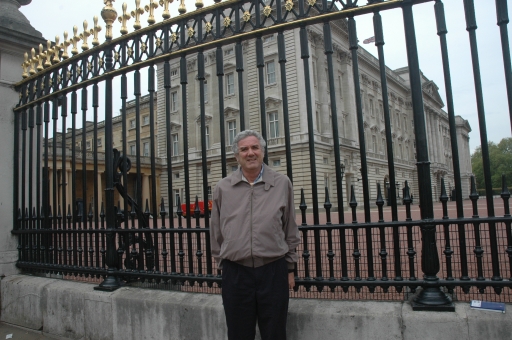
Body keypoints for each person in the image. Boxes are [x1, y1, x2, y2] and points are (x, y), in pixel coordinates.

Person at [210, 129, 300, 340]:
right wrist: (223, 263)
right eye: (244, 149)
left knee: (275, 333)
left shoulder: (282, 183)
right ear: (237, 156)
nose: (250, 153)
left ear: (262, 152)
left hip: (273, 270)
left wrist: (290, 268)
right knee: (239, 333)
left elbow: (290, 228)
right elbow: (216, 231)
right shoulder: (223, 188)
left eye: (255, 147)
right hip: (236, 272)